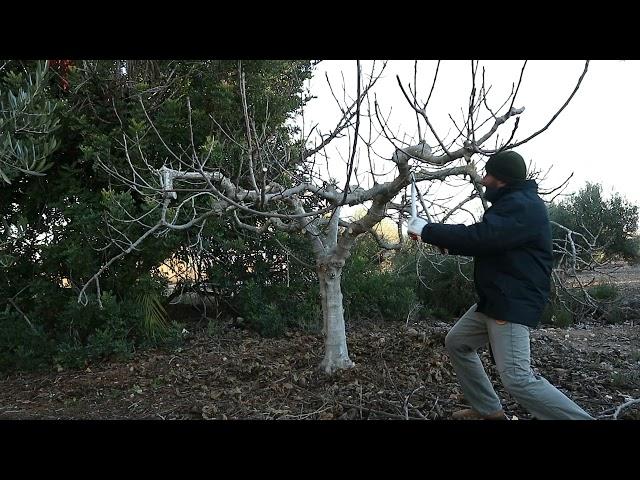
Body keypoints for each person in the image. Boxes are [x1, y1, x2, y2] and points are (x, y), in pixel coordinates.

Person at [407, 150, 593, 420]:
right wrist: (439, 241)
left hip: (510, 302)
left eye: (488, 174)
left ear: (501, 179)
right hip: (495, 298)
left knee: (518, 379)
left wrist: (428, 230)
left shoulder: (522, 206)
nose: (483, 179)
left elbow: (482, 237)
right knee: (457, 342)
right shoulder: (514, 203)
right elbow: (494, 244)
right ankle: (488, 410)